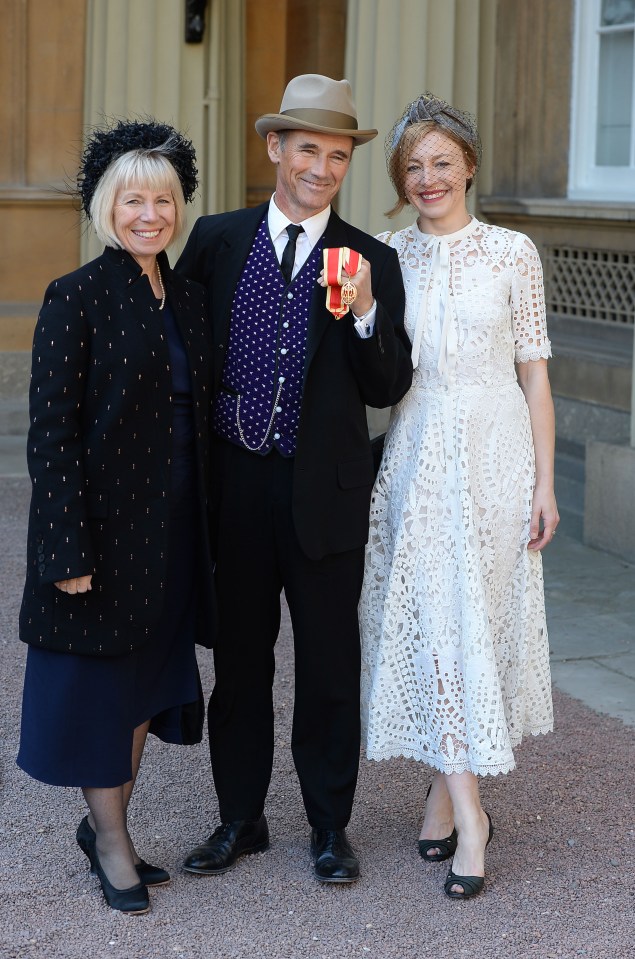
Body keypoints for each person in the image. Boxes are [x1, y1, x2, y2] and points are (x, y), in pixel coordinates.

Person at [177, 74, 413, 883]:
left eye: (337, 154)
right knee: (240, 666)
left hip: (324, 495)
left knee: (326, 664)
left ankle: (327, 827)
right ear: (274, 147)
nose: (320, 166)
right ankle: (240, 819)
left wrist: (369, 312)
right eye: (307, 147)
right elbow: (189, 361)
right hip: (235, 488)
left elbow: (387, 385)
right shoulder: (214, 238)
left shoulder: (370, 257)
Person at [359, 93, 558, 900]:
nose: (427, 177)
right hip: (417, 452)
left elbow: (535, 374)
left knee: (481, 617)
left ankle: (445, 794)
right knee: (436, 623)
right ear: (400, 180)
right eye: (413, 166)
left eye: (442, 161)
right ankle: (471, 813)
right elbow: (366, 367)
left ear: (469, 166)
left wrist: (546, 483)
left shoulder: (513, 253)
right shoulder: (379, 252)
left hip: (498, 449)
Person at [17, 120, 214, 915]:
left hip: (173, 532)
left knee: (142, 687)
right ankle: (109, 840)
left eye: (162, 199)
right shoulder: (78, 296)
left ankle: (111, 823)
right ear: (106, 207)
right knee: (102, 694)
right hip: (102, 532)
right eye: (132, 199)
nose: (149, 213)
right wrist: (66, 545)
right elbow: (50, 431)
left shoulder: (191, 297)